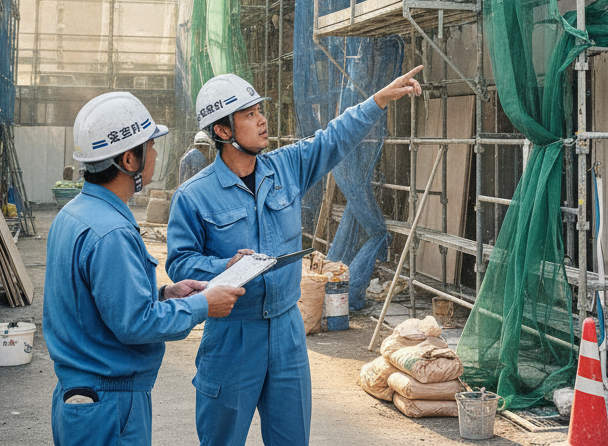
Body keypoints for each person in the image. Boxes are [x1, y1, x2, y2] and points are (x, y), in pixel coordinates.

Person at [167, 64, 424, 446]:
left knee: (291, 438)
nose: (262, 120)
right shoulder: (193, 196)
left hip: (287, 329)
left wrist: (378, 101)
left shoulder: (286, 168)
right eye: (249, 114)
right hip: (234, 333)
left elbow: (333, 138)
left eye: (259, 110)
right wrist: (225, 266)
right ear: (222, 131)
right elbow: (180, 262)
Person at [44, 91, 244, 446]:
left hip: (82, 401)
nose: (155, 154)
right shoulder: (112, 233)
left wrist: (164, 294)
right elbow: (135, 324)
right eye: (150, 146)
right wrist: (203, 305)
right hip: (111, 405)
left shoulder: (74, 214)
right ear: (128, 159)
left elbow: (95, 301)